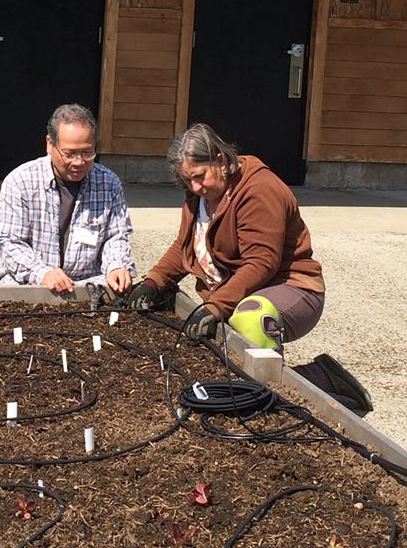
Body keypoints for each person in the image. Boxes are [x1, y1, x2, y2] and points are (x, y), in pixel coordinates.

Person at [127, 123, 372, 415]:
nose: (194, 187)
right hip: (239, 292)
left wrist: (217, 305)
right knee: (222, 345)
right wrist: (153, 282)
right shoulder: (199, 196)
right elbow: (184, 247)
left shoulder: (259, 189)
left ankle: (292, 392)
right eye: (187, 180)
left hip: (291, 288)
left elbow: (262, 263)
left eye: (199, 177)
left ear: (219, 160)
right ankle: (305, 382)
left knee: (250, 318)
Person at [0, 103, 135, 294]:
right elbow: (8, 241)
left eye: (87, 153)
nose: (79, 162)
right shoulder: (20, 182)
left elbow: (115, 236)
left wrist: (116, 266)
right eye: (70, 154)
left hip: (87, 284)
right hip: (28, 284)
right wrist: (42, 273)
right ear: (50, 145)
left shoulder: (109, 183)